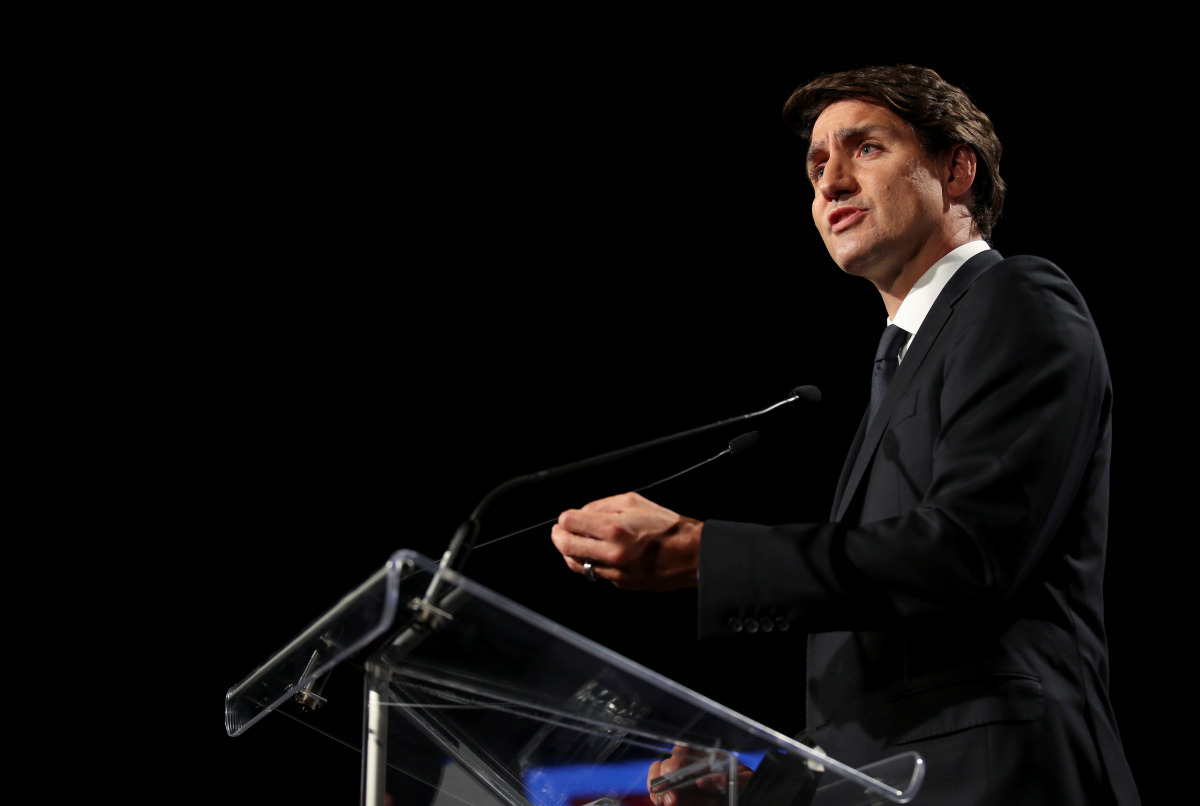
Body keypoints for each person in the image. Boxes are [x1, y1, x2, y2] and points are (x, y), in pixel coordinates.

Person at [549, 64, 1140, 805]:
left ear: (956, 170)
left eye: (864, 149)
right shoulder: (903, 365)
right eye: (817, 163)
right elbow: (890, 681)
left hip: (1002, 779)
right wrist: (759, 791)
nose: (828, 183)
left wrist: (708, 553)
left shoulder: (1016, 298)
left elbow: (967, 555)